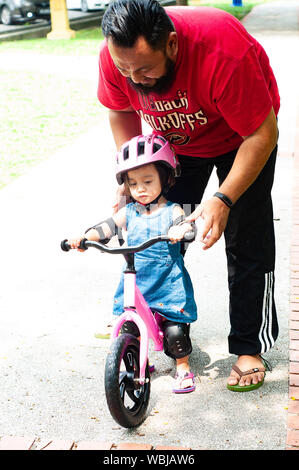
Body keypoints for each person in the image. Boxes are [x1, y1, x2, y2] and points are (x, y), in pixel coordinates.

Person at [97, 0, 280, 391]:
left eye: (145, 69)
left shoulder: (222, 51)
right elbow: (119, 111)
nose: (135, 78)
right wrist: (133, 176)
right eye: (126, 70)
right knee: (155, 236)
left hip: (242, 140)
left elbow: (262, 134)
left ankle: (249, 345)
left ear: (173, 46)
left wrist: (224, 198)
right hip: (176, 149)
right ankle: (163, 325)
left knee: (246, 240)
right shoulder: (116, 56)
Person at [68, 134, 198, 393]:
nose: (140, 188)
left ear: (167, 178)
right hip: (136, 282)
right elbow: (106, 226)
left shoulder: (172, 211)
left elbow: (187, 227)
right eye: (133, 183)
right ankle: (139, 360)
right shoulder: (128, 212)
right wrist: (85, 237)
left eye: (148, 181)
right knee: (129, 327)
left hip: (168, 285)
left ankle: (182, 368)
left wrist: (181, 231)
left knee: (175, 334)